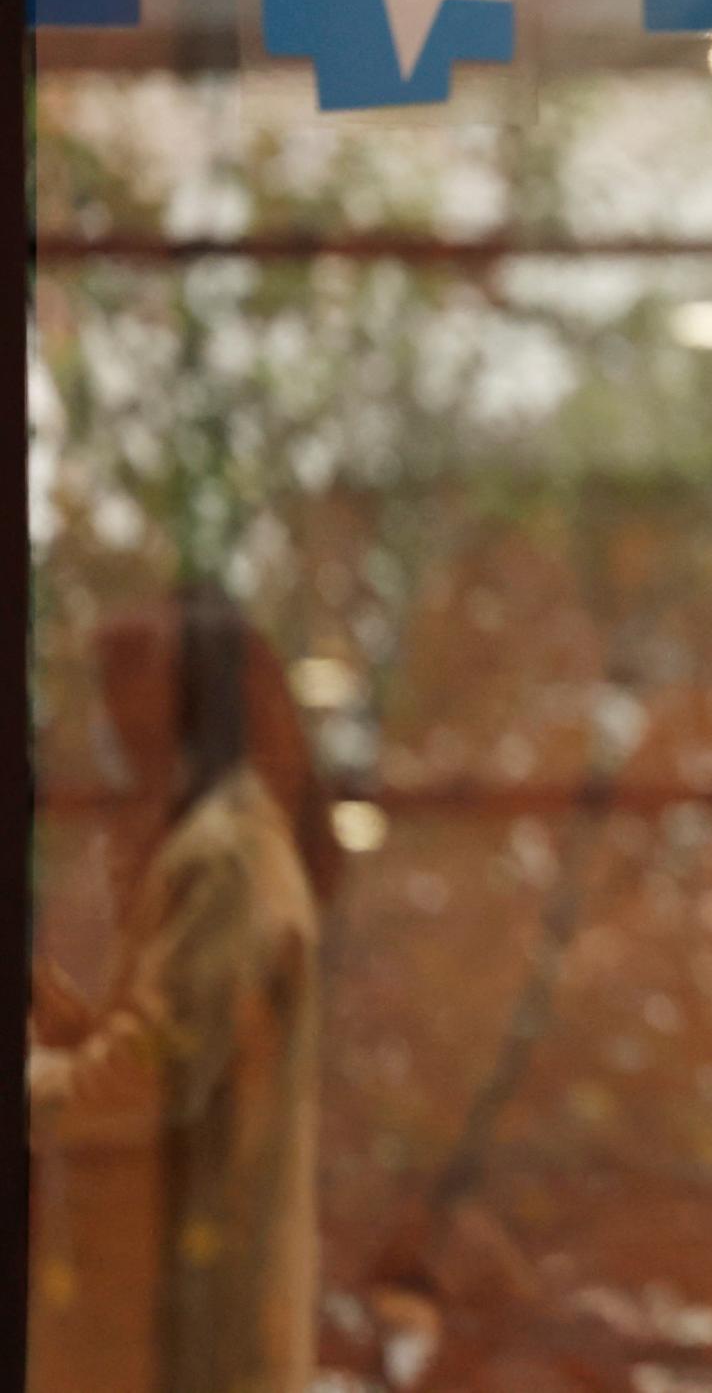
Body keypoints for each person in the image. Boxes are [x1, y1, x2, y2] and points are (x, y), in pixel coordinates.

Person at [29, 589, 336, 1393]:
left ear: (189, 691)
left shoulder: (227, 855)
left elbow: (144, 1075)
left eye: (126, 675)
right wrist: (73, 1038)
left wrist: (38, 1080)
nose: (105, 707)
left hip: (188, 1351)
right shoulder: (217, 843)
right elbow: (174, 1051)